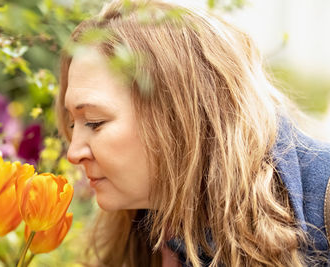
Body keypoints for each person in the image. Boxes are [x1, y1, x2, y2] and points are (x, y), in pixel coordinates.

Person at [55, 0, 330, 266]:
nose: (73, 152)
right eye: (72, 125)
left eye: (94, 122)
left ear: (176, 117)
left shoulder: (322, 202)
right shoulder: (150, 232)